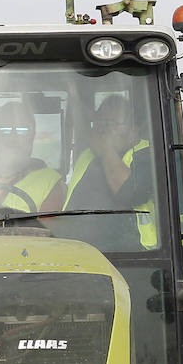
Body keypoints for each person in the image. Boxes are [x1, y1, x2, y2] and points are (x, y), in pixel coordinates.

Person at [63, 95, 158, 250]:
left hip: (135, 257)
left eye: (112, 123)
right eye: (100, 123)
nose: (103, 129)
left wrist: (106, 150)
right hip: (78, 254)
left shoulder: (148, 154)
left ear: (133, 128)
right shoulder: (86, 156)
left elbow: (129, 192)